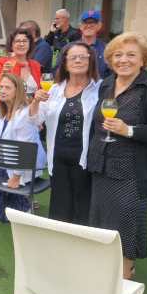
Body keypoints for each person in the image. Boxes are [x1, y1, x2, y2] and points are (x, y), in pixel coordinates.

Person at [88, 32, 147, 279]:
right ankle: (105, 266)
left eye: (131, 55)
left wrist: (129, 130)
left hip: (134, 170)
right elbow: (98, 123)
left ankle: (125, 272)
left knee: (127, 220)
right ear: (110, 60)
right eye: (118, 55)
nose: (123, 60)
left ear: (143, 60)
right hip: (103, 164)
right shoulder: (107, 84)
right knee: (103, 219)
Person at [29, 42, 101, 224]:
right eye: (73, 57)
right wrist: (36, 101)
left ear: (91, 61)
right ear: (65, 63)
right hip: (58, 157)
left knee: (83, 209)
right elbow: (35, 120)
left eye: (83, 57)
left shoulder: (100, 89)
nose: (78, 60)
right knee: (59, 209)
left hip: (85, 159)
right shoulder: (54, 90)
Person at [0, 73, 45, 221]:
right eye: (1, 87)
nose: (2, 90)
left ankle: (22, 205)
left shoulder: (25, 114)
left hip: (25, 166)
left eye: (7, 87)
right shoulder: (0, 111)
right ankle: (3, 205)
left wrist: (16, 177)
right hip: (7, 161)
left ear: (17, 91)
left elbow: (24, 150)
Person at [0, 26, 41, 113]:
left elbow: (39, 91)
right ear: (11, 45)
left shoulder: (35, 65)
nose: (21, 44)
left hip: (29, 113)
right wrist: (3, 74)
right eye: (17, 41)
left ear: (30, 44)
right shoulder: (2, 62)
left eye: (25, 41)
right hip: (6, 112)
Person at [77, 10, 110, 78]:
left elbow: (112, 74)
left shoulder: (107, 49)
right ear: (80, 26)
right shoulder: (69, 48)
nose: (89, 25)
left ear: (99, 26)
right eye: (85, 22)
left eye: (93, 23)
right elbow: (59, 70)